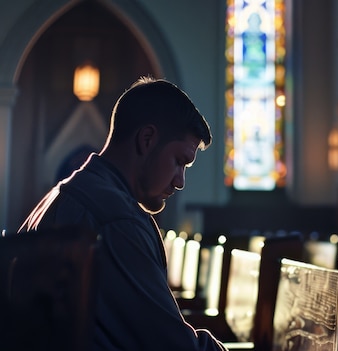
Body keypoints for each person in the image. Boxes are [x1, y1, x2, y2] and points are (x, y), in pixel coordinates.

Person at [19, 77, 228, 351]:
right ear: (147, 139)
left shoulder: (59, 195)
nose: (180, 181)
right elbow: (175, 348)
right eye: (179, 162)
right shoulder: (118, 221)